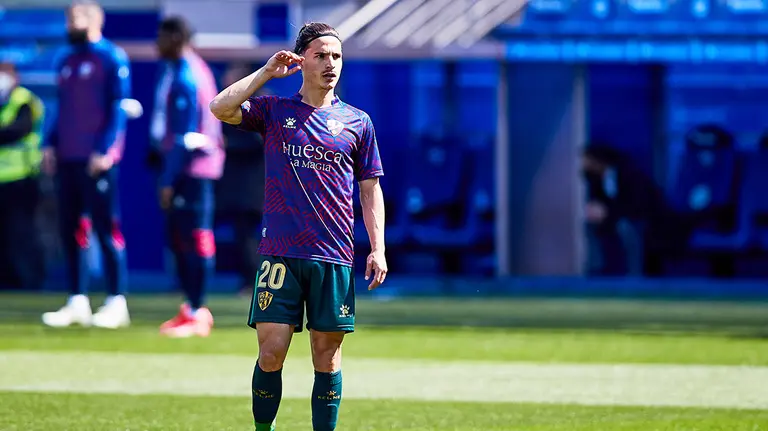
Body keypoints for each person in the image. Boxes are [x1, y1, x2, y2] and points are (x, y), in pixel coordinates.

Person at [210, 22, 388, 431]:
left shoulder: (358, 122)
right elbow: (220, 107)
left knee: (326, 358)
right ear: (302, 59)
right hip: (281, 254)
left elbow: (370, 188)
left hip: (334, 255)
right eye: (321, 55)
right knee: (271, 352)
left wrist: (377, 247)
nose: (331, 64)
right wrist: (266, 72)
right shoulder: (275, 111)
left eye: (337, 56)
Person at [41, 0, 132, 329]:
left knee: (106, 229)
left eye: (74, 18)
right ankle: (77, 299)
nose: (69, 24)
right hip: (68, 157)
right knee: (71, 229)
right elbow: (60, 109)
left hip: (97, 160)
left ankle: (115, 300)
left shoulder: (111, 57)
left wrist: (105, 149)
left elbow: (118, 107)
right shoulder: (65, 59)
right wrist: (49, 144)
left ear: (93, 20)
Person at [152, 16, 224, 337]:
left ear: (175, 38)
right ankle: (191, 307)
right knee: (183, 239)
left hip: (192, 169)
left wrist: (168, 179)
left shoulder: (187, 75)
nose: (157, 45)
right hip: (189, 167)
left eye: (162, 38)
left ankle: (198, 310)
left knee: (194, 238)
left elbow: (185, 134)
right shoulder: (184, 70)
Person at [216, 63, 268, 297]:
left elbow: (258, 142)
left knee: (251, 235)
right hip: (235, 187)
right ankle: (249, 281)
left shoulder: (260, 105)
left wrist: (226, 145)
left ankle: (256, 281)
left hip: (253, 186)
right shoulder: (227, 107)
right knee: (242, 235)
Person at [0, 61, 46, 291]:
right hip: (2, 180)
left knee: (22, 232)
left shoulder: (25, 101)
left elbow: (18, 130)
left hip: (22, 178)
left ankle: (28, 280)